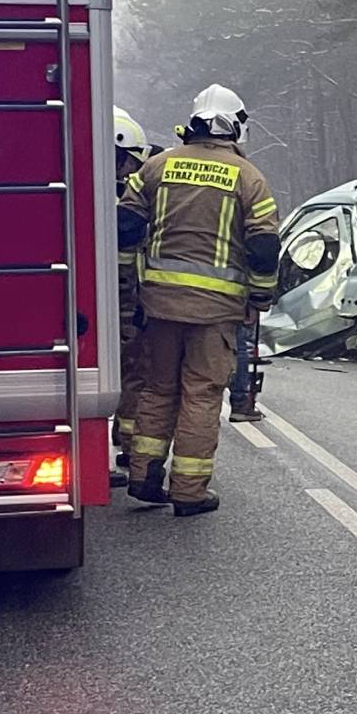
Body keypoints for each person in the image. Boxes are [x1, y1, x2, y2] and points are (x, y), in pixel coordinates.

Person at [116, 85, 280, 516]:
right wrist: (261, 295)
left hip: (159, 306)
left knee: (158, 388)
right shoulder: (249, 178)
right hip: (215, 312)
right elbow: (264, 247)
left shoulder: (156, 167)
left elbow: (125, 226)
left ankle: (143, 475)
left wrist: (130, 286)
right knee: (201, 396)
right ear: (236, 127)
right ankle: (188, 491)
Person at [110, 109, 152, 485]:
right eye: (132, 162)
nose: (134, 171)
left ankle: (124, 440)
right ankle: (127, 442)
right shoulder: (118, 201)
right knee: (131, 371)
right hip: (119, 299)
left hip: (117, 297)